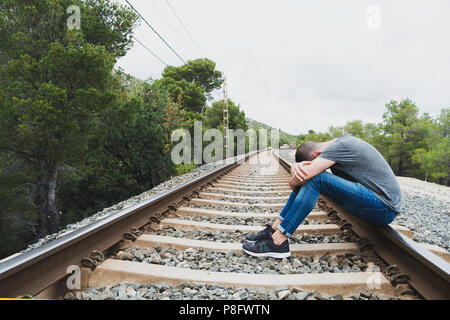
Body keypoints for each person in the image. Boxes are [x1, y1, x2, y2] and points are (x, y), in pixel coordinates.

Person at [242, 134, 402, 258]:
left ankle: (279, 240)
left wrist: (298, 171)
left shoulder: (340, 146)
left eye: (315, 162)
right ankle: (275, 229)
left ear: (318, 154)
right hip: (377, 203)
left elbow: (302, 178)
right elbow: (297, 182)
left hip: (384, 207)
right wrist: (298, 173)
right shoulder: (341, 142)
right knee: (309, 177)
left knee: (314, 178)